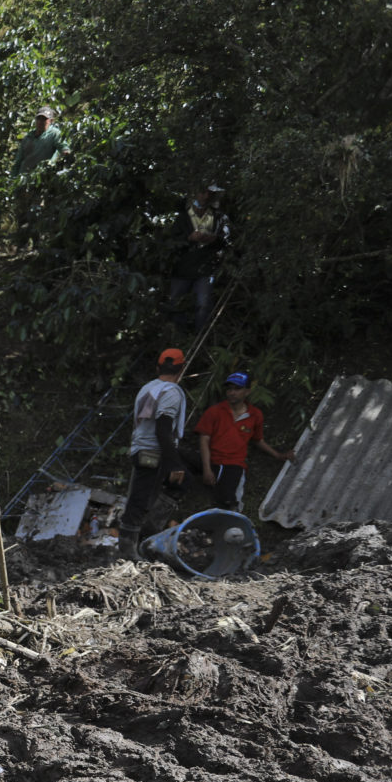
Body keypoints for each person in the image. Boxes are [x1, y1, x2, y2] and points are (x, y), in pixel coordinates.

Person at [120, 348, 190, 560]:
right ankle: (130, 546)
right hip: (154, 451)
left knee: (150, 492)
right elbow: (163, 428)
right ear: (182, 368)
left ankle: (144, 535)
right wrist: (173, 464)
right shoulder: (171, 392)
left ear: (158, 368)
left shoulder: (148, 388)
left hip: (141, 448)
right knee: (142, 497)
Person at [194, 372, 293, 511]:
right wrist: (206, 469)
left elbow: (258, 440)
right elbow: (204, 439)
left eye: (237, 389)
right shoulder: (215, 411)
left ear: (247, 392)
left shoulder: (255, 415)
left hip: (233, 463)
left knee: (229, 500)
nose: (232, 393)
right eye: (229, 389)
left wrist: (277, 455)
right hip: (212, 459)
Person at [170, 184, 229, 331]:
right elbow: (171, 242)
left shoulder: (219, 217)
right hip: (183, 267)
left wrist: (213, 239)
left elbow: (227, 239)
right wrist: (189, 238)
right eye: (202, 193)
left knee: (203, 304)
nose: (206, 197)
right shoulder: (183, 218)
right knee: (175, 303)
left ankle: (199, 336)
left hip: (206, 267)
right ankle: (180, 336)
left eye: (209, 194)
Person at [10, 107, 66, 176]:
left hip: (43, 177)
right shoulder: (28, 137)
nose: (40, 122)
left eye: (44, 119)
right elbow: (18, 160)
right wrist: (12, 177)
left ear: (51, 121)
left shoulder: (55, 134)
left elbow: (64, 150)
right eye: (38, 119)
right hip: (24, 176)